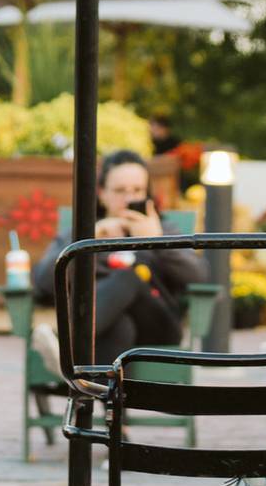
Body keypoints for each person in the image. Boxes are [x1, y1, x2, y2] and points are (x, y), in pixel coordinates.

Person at [30, 149, 205, 369]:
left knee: (128, 277)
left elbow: (198, 275)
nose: (130, 198)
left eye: (138, 190)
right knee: (121, 326)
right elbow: (45, 281)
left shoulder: (163, 228)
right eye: (120, 190)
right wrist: (90, 240)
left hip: (158, 328)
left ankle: (66, 352)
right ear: (102, 193)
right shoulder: (85, 233)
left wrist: (157, 240)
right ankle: (112, 400)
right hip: (106, 331)